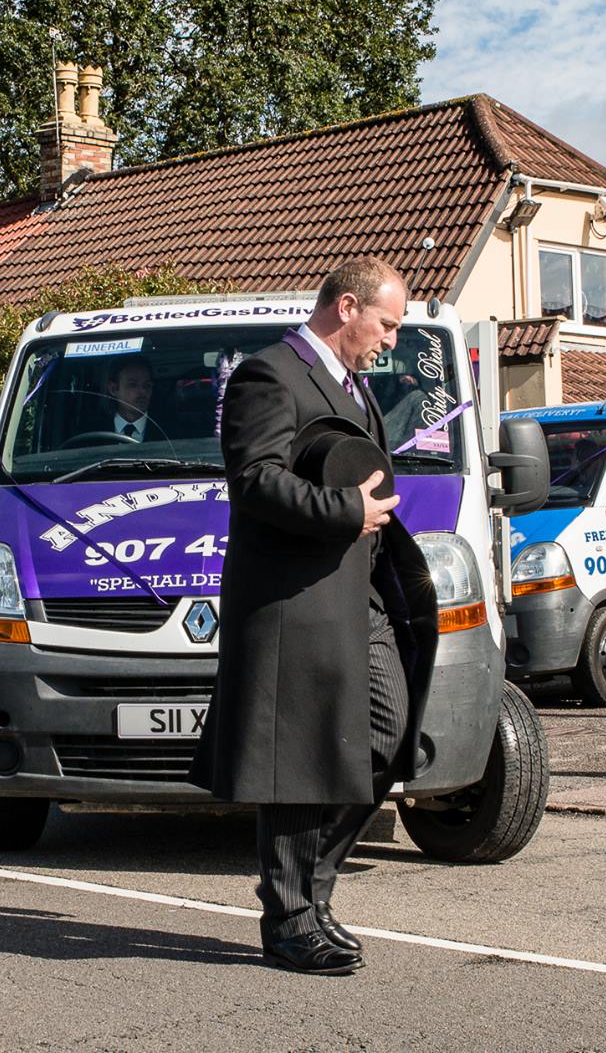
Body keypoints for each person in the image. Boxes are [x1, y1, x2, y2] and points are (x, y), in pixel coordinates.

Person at [188, 256, 436, 976]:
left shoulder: (353, 386)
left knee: (389, 737)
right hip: (293, 601)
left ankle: (309, 890)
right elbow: (254, 481)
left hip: (358, 596)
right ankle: (291, 916)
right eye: (387, 323)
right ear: (348, 307)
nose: (392, 339)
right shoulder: (269, 373)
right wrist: (345, 510)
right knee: (296, 760)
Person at [103, 356, 155, 441]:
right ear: (113, 389)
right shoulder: (91, 431)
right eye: (132, 385)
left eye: (147, 385)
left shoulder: (169, 431)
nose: (142, 391)